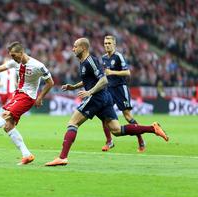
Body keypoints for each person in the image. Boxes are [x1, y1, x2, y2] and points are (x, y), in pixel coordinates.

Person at [45, 38, 168, 166]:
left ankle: (63, 157)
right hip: (105, 97)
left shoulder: (90, 61)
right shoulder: (84, 62)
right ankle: (153, 128)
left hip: (97, 97)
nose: (73, 49)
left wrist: (90, 92)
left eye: (75, 46)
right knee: (117, 130)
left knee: (73, 123)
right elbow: (90, 80)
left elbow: (104, 80)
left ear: (83, 48)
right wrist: (74, 87)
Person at [101, 35, 145, 152]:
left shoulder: (118, 56)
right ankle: (109, 141)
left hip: (121, 89)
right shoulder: (104, 58)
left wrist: (112, 72)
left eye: (109, 43)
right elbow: (104, 74)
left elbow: (127, 72)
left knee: (127, 115)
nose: (107, 45)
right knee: (104, 115)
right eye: (105, 43)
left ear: (114, 44)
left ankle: (140, 139)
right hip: (109, 90)